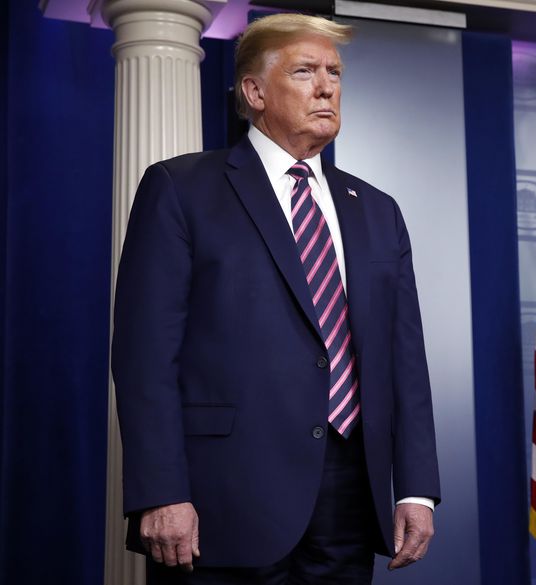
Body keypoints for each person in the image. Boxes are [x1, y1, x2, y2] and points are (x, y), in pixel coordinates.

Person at [111, 13, 440, 584]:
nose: (327, 86)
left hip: (349, 499)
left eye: (334, 72)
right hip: (222, 498)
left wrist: (416, 488)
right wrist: (160, 491)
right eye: (306, 71)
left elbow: (403, 359)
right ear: (255, 91)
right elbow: (144, 359)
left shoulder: (377, 209)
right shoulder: (180, 189)